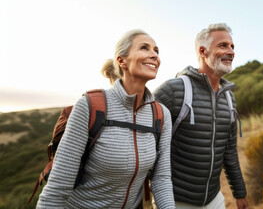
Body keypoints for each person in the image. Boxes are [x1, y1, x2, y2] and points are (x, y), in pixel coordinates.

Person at [36, 30, 175, 209]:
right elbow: (58, 187)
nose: (154, 55)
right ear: (121, 60)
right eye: (144, 48)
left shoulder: (161, 114)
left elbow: (161, 179)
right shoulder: (90, 105)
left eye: (156, 51)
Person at [154, 23, 249, 209]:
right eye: (223, 45)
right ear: (203, 51)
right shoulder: (173, 90)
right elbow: (143, 142)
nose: (231, 51)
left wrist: (240, 193)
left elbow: (229, 152)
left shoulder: (229, 98)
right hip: (176, 201)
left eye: (232, 46)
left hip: (214, 199)